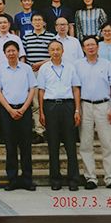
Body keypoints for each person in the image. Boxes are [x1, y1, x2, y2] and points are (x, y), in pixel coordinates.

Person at [75, 36, 111, 191]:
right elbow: (76, 88)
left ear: (98, 47)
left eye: (93, 45)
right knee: (85, 144)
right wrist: (77, 109)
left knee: (107, 143)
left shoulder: (106, 64)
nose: (90, 47)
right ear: (83, 48)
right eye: (87, 45)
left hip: (104, 105)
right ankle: (90, 178)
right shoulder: (77, 65)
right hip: (85, 106)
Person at [0, 41, 37, 191]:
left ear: (18, 52)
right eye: (8, 51)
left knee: (26, 146)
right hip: (7, 111)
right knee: (10, 146)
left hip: (24, 110)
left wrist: (24, 108)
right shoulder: (0, 69)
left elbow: (32, 89)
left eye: (13, 50)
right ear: (4, 53)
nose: (11, 53)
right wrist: (10, 109)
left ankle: (27, 179)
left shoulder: (26, 69)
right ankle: (12, 179)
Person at [37, 40, 81, 191]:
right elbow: (41, 91)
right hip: (50, 107)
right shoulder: (44, 68)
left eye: (58, 49)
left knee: (70, 144)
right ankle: (55, 179)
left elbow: (75, 89)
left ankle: (73, 179)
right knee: (53, 144)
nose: (55, 52)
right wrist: (41, 111)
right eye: (52, 49)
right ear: (49, 52)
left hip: (68, 106)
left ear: (63, 51)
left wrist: (77, 110)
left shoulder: (70, 67)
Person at [22, 13, 56, 144]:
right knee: (36, 104)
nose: (37, 22)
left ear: (44, 22)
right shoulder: (26, 37)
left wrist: (40, 64)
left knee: (50, 102)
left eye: (40, 20)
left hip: (49, 72)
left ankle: (52, 131)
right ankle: (40, 132)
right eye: (35, 20)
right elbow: (23, 56)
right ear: (31, 23)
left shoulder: (51, 36)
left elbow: (55, 55)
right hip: (33, 74)